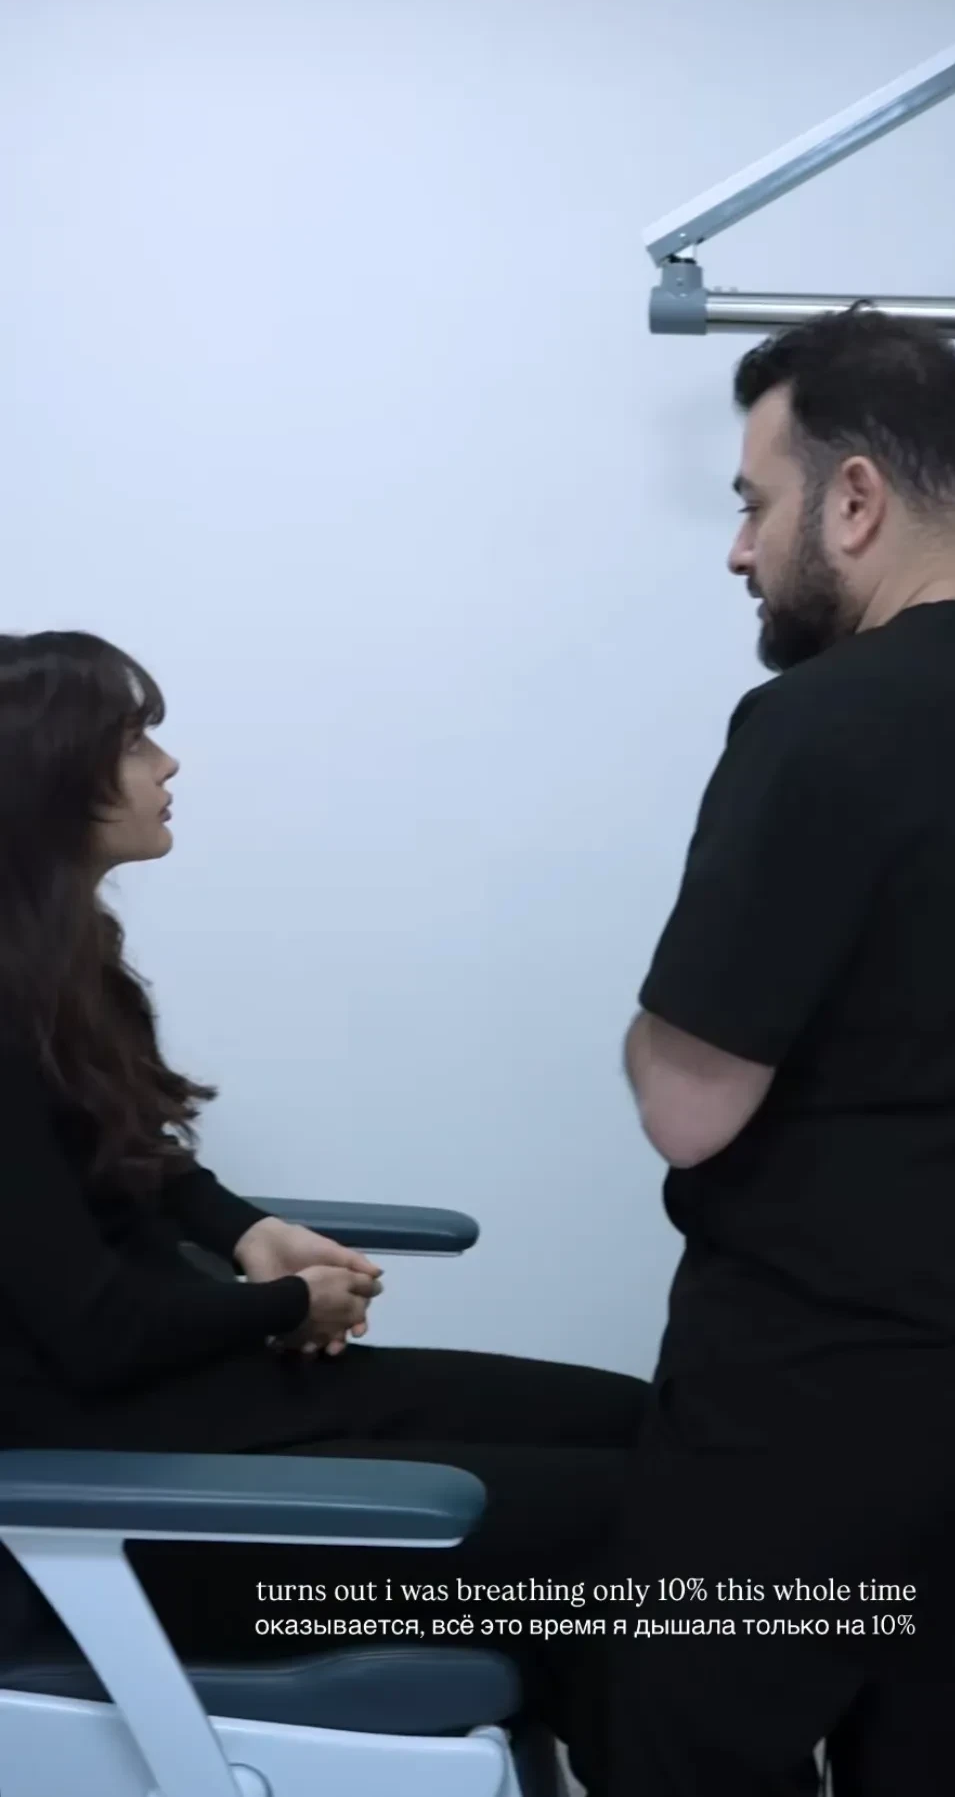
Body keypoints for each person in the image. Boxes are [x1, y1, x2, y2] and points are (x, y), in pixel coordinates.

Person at [611, 309, 955, 1796]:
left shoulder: (817, 725)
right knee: (926, 1743)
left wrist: (648, 1026)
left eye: (754, 502)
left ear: (853, 497)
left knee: (687, 1753)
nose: (739, 549)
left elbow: (685, 1107)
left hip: (811, 1401)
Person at [0, 630, 644, 1788]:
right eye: (134, 739)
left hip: (204, 1418)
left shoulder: (55, 966)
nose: (168, 764)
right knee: (640, 1517)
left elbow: (126, 1156)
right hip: (139, 1521)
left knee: (655, 1428)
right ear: (49, 775)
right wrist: (288, 1303)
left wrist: (245, 1232)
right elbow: (91, 1331)